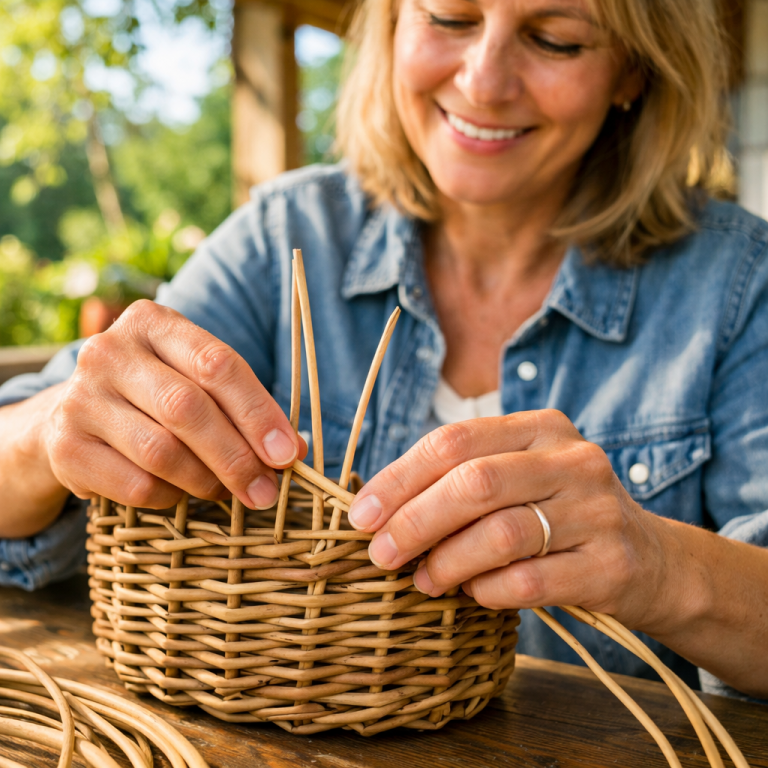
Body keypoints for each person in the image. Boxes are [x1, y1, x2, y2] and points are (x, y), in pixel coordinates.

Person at [1, 0, 767, 701]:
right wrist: (48, 433)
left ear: (634, 69)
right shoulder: (287, 240)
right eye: (449, 17)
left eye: (554, 39)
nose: (484, 80)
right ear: (394, 23)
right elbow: (31, 451)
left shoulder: (736, 285)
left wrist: (660, 565)